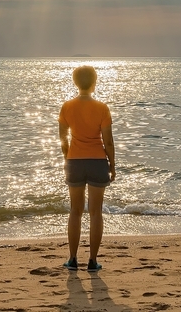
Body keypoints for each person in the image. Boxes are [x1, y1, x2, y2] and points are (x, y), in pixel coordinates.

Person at [58, 65, 116, 272]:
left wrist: (68, 159)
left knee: (75, 211)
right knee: (95, 213)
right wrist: (113, 165)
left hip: (75, 161)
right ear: (94, 82)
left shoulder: (67, 106)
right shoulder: (102, 108)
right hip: (97, 161)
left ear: (75, 82)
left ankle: (73, 259)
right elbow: (108, 141)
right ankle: (92, 260)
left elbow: (63, 139)